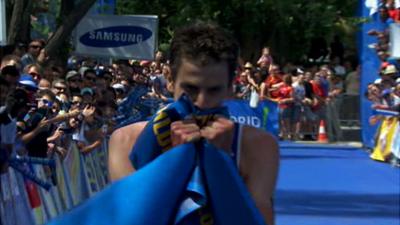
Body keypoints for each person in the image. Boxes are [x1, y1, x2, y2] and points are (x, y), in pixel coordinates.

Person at [108, 22, 279, 225]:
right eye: (191, 89)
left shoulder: (258, 146)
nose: (201, 102)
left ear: (230, 87)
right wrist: (175, 164)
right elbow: (130, 220)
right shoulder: (126, 141)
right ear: (170, 79)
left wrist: (221, 164)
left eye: (214, 90)